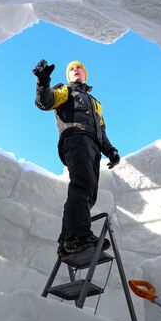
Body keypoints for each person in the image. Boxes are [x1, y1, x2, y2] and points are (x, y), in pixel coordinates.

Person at [33, 59, 120, 257]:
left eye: (78, 67)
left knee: (88, 192)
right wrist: (43, 82)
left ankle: (67, 241)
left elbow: (101, 131)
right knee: (82, 185)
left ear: (85, 73)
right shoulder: (65, 90)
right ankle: (79, 237)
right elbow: (45, 102)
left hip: (93, 146)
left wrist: (111, 151)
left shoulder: (96, 103)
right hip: (75, 138)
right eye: (71, 69)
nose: (75, 70)